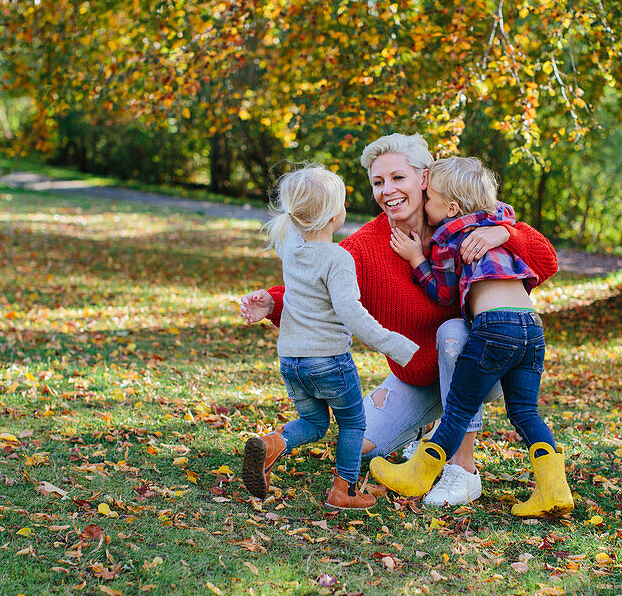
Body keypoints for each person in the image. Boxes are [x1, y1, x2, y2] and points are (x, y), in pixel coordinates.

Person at [239, 134, 559, 506]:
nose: (387, 190)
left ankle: (463, 469)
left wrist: (505, 231)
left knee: (453, 331)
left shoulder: (466, 219)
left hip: (479, 365)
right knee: (358, 446)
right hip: (415, 374)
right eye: (378, 182)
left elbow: (546, 259)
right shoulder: (365, 247)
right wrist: (271, 302)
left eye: (397, 178)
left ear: (424, 178)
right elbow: (319, 282)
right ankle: (422, 431)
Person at [376, 157, 573, 517]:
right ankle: (553, 489)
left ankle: (418, 476)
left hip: (494, 329)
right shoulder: (498, 218)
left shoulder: (449, 235)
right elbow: (509, 216)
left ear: (451, 207)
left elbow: (445, 295)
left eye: (430, 200)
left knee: (458, 409)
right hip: (531, 326)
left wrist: (419, 259)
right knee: (526, 412)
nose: (427, 206)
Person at [240, 165, 418, 510]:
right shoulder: (338, 258)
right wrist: (394, 344)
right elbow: (350, 312)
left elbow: (295, 294)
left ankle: (272, 444)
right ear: (334, 214)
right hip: (329, 361)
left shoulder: (293, 253)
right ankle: (344, 491)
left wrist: (271, 300)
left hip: (291, 361)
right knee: (353, 423)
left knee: (314, 422)